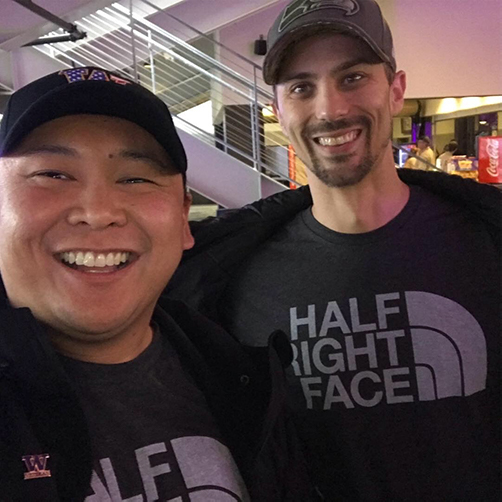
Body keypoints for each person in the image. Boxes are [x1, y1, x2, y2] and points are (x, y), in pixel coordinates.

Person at [167, 1, 501, 500]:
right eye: (302, 87)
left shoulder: (487, 242)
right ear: (279, 108)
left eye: (352, 78)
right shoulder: (231, 278)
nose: (330, 110)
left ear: (396, 91)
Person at [0, 67, 313, 501]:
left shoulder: (245, 382)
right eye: (53, 174)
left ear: (184, 219)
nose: (98, 211)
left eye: (135, 178)